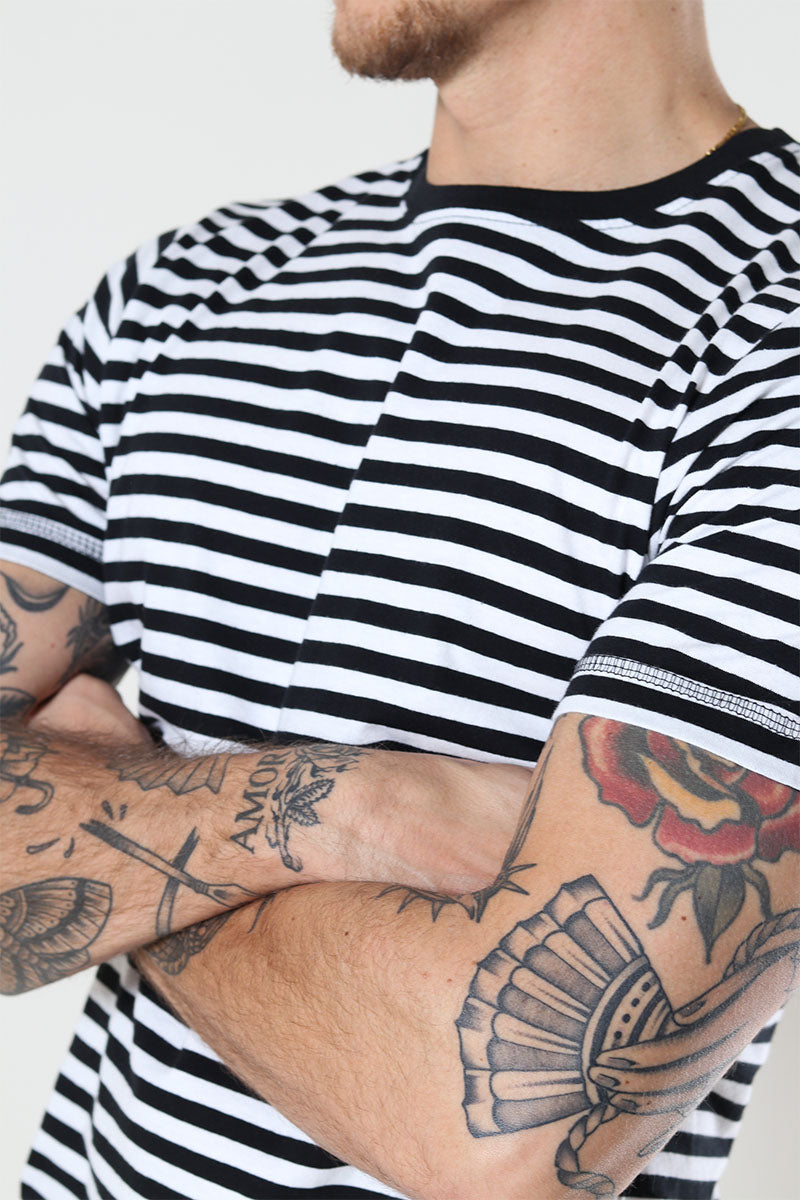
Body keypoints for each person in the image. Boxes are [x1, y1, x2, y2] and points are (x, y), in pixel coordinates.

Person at [1, 0, 798, 1196]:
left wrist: (119, 819)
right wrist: (353, 808)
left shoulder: (773, 332)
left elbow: (503, 1133)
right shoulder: (174, 295)